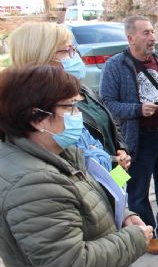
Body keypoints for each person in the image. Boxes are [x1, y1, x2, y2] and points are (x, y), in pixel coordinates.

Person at [0, 65, 152, 267]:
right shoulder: (35, 181)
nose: (77, 116)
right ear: (36, 117)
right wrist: (134, 239)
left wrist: (123, 214)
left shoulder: (56, 152)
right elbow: (68, 264)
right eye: (70, 108)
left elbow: (89, 197)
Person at [101, 15, 158, 255]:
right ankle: (147, 232)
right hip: (138, 139)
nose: (152, 37)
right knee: (138, 191)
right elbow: (107, 104)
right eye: (146, 33)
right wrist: (137, 110)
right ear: (131, 38)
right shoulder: (115, 65)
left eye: (152, 32)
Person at [9, 21, 131, 170]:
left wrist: (122, 149)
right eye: (66, 50)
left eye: (74, 49)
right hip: (96, 177)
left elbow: (109, 121)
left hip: (111, 173)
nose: (75, 57)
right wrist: (111, 161)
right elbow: (74, 164)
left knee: (119, 191)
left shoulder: (83, 90)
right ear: (41, 57)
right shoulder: (41, 109)